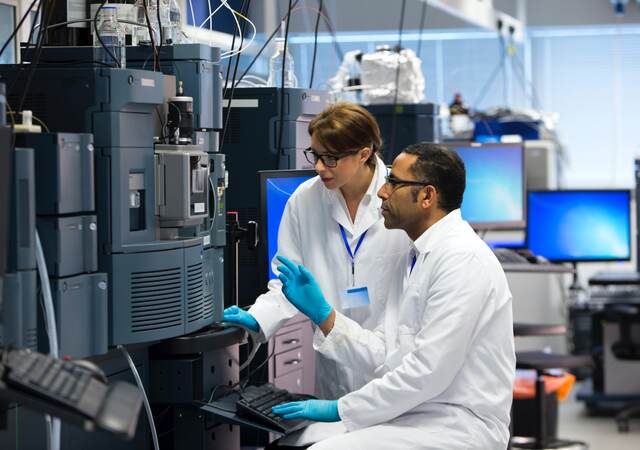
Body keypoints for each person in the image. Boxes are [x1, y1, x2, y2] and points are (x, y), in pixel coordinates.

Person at [271, 143, 516, 450]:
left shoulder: (461, 260)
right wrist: (326, 317)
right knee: (293, 440)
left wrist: (341, 408)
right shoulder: (416, 257)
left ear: (427, 196)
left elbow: (427, 373)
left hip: (457, 423)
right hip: (417, 411)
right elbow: (388, 353)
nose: (383, 193)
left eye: (394, 183)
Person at [223, 102, 411, 402]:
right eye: (316, 155)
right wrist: (257, 317)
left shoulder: (400, 200)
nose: (320, 167)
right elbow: (289, 282)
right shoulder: (304, 200)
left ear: (364, 154)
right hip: (334, 369)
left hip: (393, 368)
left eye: (331, 158)